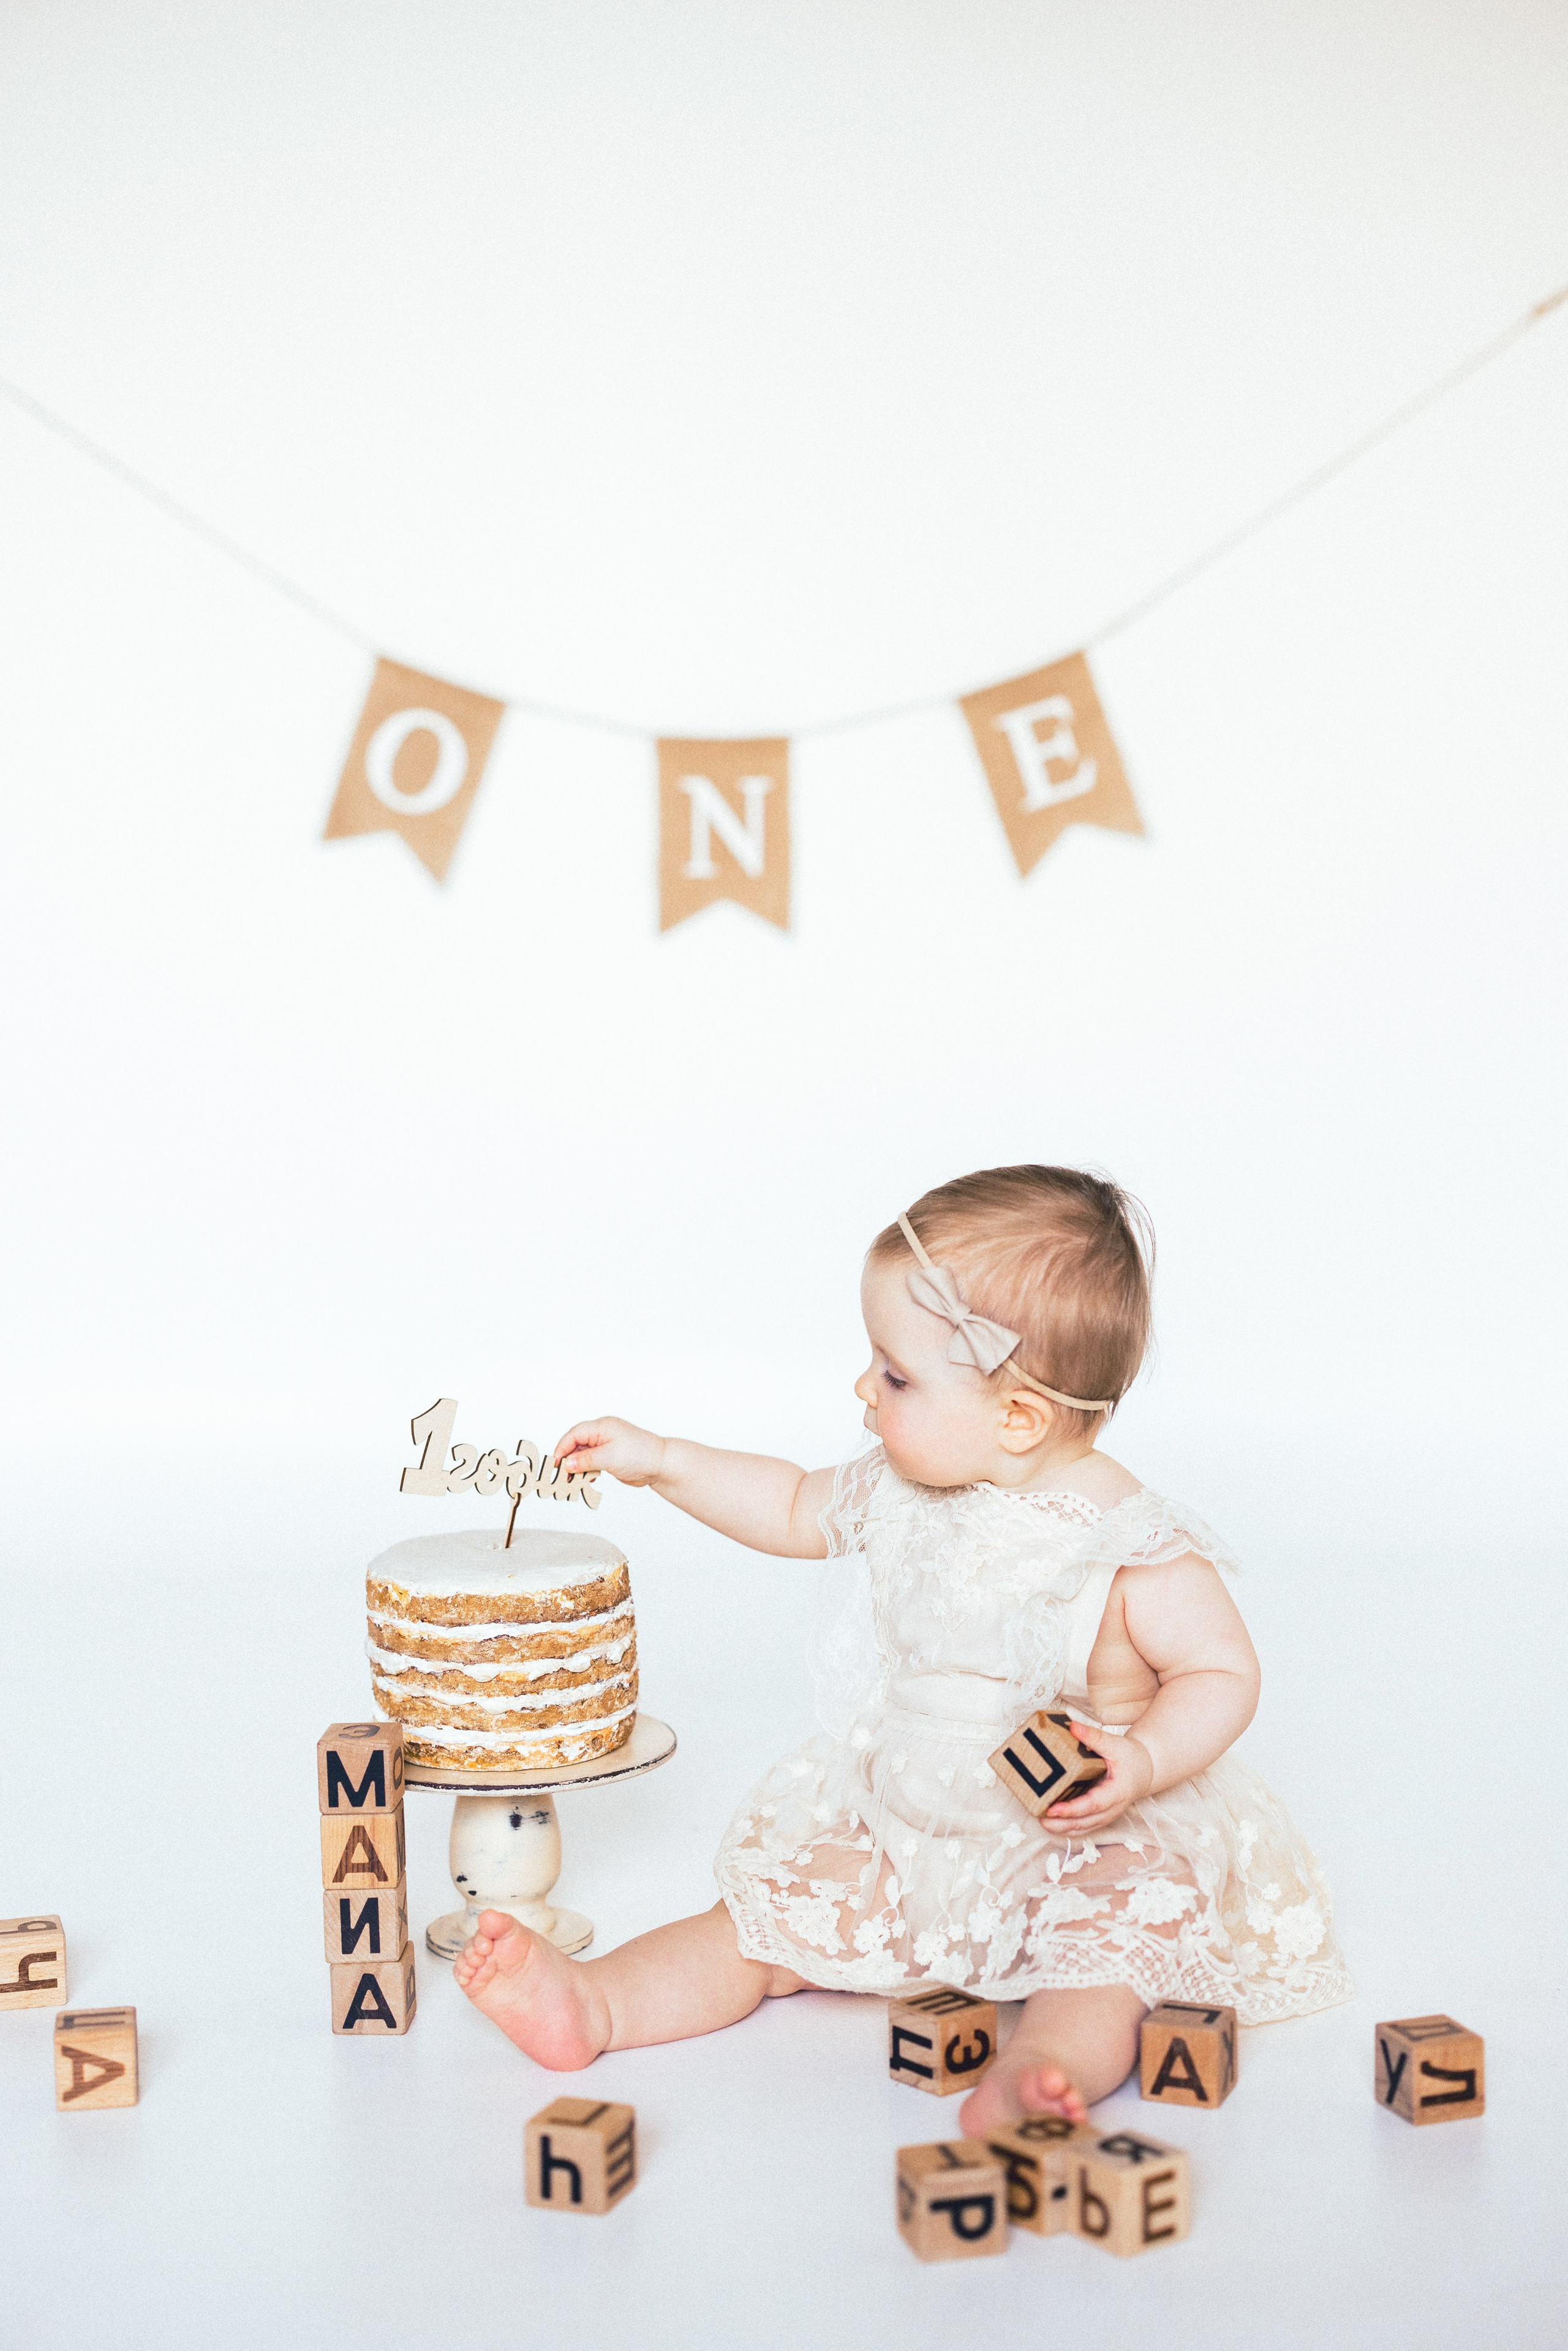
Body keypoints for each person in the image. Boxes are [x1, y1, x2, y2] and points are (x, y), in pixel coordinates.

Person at [454, 1164, 1351, 2127]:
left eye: (895, 1374)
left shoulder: (1122, 1537)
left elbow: (1222, 1670)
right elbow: (792, 1501)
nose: (862, 1388)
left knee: (1110, 1956)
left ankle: (1041, 2069)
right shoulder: (902, 1485)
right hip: (910, 1816)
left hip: (1078, 1833)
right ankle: (598, 2002)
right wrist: (664, 1459)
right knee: (765, 1924)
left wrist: (1140, 1758)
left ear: (1018, 1416)